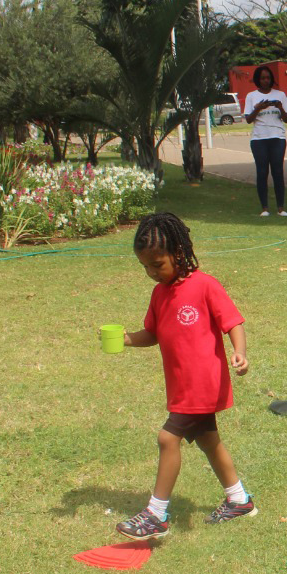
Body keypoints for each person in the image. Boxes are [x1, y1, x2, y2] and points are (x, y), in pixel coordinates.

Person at [112, 213, 254, 540]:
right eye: (145, 267)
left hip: (203, 384)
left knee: (167, 438)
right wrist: (127, 339)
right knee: (208, 440)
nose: (151, 273)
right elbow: (153, 333)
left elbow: (233, 321)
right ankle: (239, 500)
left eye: (157, 265)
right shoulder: (160, 294)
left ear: (178, 252)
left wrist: (240, 352)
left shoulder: (205, 285)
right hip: (182, 387)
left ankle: (156, 514)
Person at [242, 65, 287, 217]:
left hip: (277, 137)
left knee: (278, 172)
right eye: (263, 78)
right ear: (258, 79)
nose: (266, 81)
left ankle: (281, 208)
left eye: (268, 78)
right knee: (262, 172)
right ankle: (264, 208)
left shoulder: (280, 94)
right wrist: (258, 108)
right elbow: (249, 119)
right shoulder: (251, 96)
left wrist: (280, 107)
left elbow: (286, 119)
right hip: (259, 139)